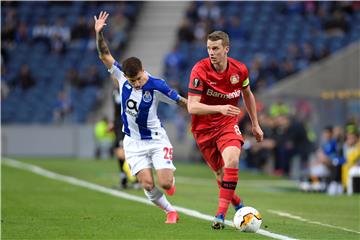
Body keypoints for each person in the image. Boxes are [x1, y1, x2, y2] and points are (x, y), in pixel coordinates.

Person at [94, 11, 187, 224]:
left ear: (143, 71)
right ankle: (170, 211)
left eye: (137, 79)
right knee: (146, 183)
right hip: (133, 142)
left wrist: (201, 110)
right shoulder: (121, 77)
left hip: (155, 139)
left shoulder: (157, 85)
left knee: (164, 183)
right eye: (131, 80)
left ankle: (169, 183)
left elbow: (181, 101)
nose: (135, 84)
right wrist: (99, 34)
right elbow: (104, 54)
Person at [187, 31, 264, 229]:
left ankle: (220, 215)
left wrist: (255, 123)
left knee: (232, 160)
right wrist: (219, 107)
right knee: (221, 176)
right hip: (203, 129)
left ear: (226, 49)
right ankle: (238, 204)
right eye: (208, 48)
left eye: (215, 48)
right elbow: (192, 106)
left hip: (227, 125)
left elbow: (247, 94)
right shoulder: (200, 70)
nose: (211, 53)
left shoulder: (240, 70)